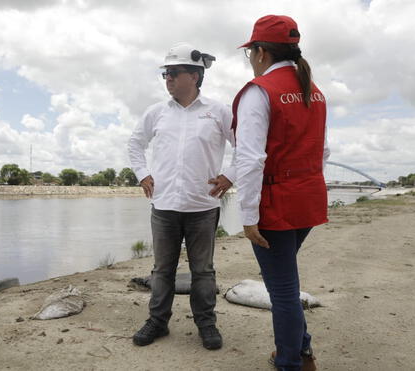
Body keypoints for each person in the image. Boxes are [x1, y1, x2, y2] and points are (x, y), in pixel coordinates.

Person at [232, 15, 330, 371]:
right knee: (286, 281)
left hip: (276, 204)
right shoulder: (312, 90)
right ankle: (301, 352)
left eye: (250, 53)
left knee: (283, 291)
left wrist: (247, 217)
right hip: (309, 199)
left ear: (260, 52)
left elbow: (250, 158)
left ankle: (291, 362)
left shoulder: (259, 91)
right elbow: (324, 151)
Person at [127, 42, 237, 350]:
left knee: (203, 270)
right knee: (162, 269)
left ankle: (206, 323)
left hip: (202, 207)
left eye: (174, 73)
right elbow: (135, 144)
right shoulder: (156, 113)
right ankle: (157, 322)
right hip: (164, 206)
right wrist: (143, 174)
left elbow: (245, 146)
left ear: (195, 75)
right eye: (166, 73)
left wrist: (230, 176)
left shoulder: (218, 112)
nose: (168, 79)